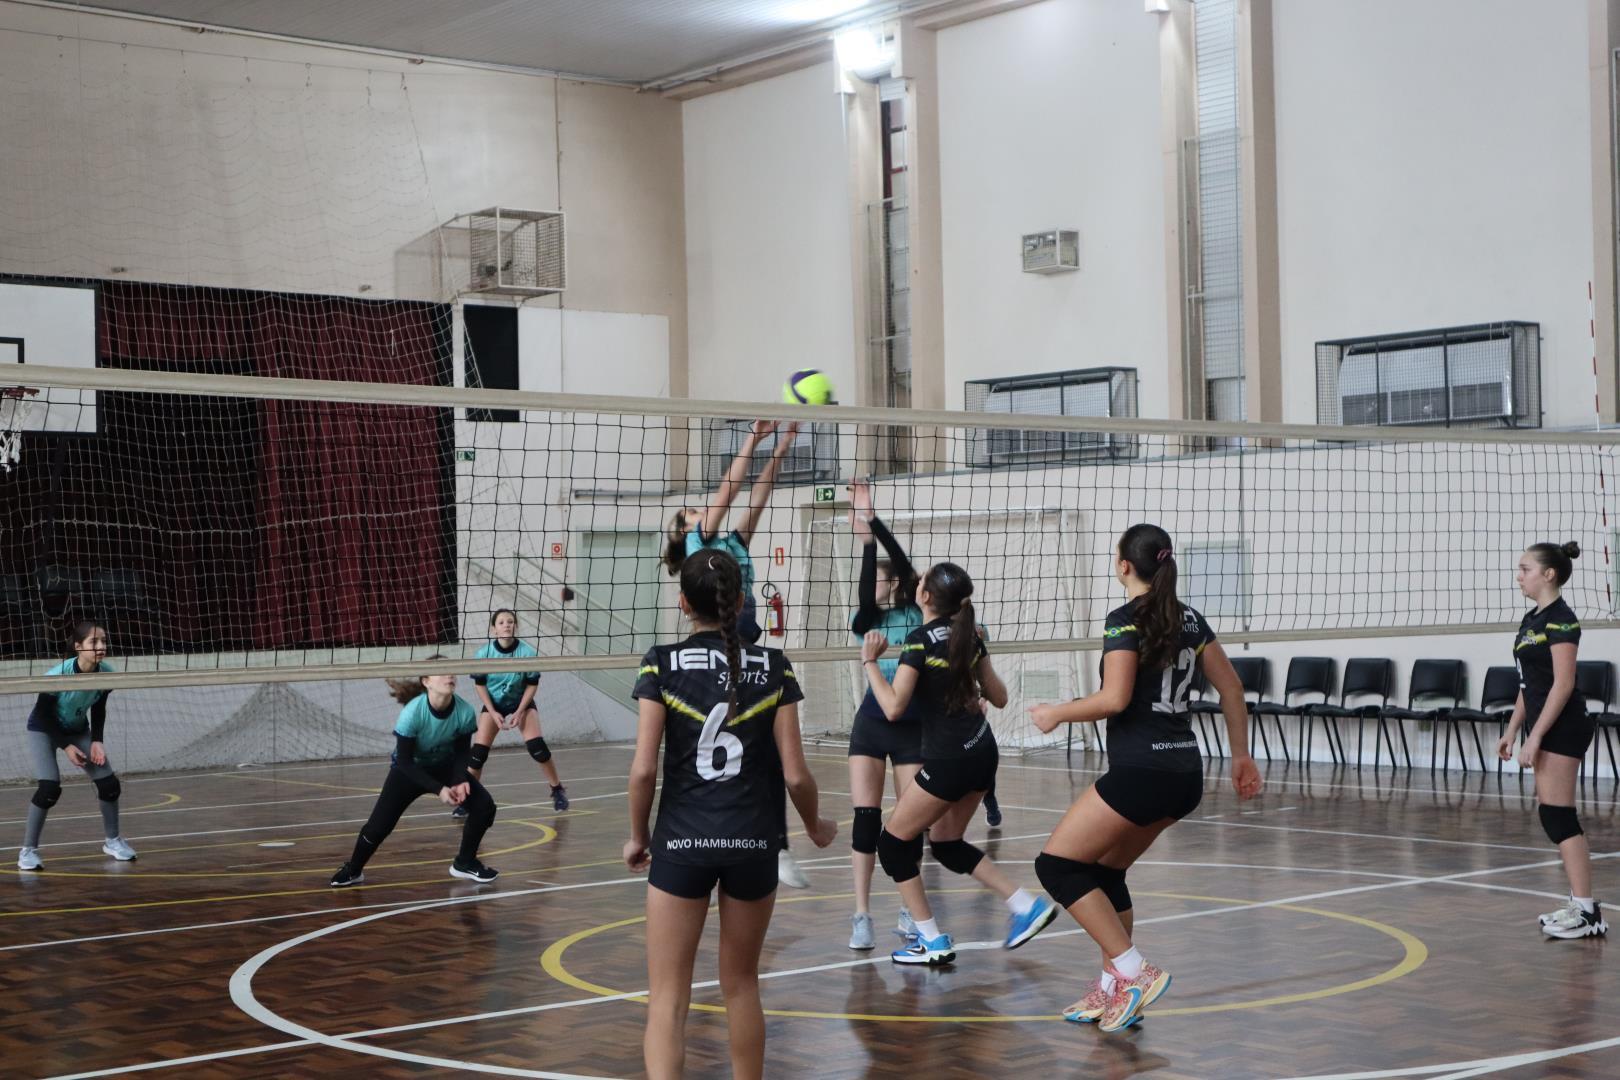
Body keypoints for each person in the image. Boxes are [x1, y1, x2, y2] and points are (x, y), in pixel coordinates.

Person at [1030, 523, 1262, 1033]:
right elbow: (1232, 689)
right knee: (1105, 872)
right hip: (1184, 774)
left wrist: (1056, 713)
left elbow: (1114, 699)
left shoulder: (1124, 621)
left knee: (1056, 866)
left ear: (1124, 566)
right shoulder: (1191, 618)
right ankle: (1115, 987)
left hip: (1142, 772)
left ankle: (1134, 970)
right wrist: (1241, 756)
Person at [625, 548, 836, 1080]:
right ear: (741, 602)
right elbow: (796, 776)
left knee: (667, 996)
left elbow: (643, 770)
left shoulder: (661, 662)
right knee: (741, 985)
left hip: (682, 842)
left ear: (682, 603)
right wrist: (815, 826)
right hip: (753, 844)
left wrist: (637, 836)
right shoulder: (774, 666)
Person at [863, 561, 1059, 966]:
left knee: (892, 845)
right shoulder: (970, 637)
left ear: (926, 597)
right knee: (947, 845)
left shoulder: (919, 641)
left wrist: (870, 663)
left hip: (950, 759)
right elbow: (1000, 698)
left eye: (922, 583)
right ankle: (1026, 906)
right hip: (982, 751)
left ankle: (931, 940)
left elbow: (893, 708)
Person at [662, 418, 808, 889]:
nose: (701, 512)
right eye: (692, 513)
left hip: (746, 645)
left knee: (769, 755)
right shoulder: (697, 545)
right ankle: (708, 842)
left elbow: (758, 496)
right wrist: (753, 438)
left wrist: (782, 446)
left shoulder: (731, 543)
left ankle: (776, 846)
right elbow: (728, 491)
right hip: (718, 644)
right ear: (685, 531)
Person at [1496, 541, 1606, 939]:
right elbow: (1530, 684)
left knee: (1559, 815)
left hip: (1564, 725)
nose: (1518, 576)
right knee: (1552, 815)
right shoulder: (1533, 619)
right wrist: (1513, 729)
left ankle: (1588, 912)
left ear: (1549, 574)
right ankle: (1580, 904)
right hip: (1545, 724)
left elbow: (1563, 684)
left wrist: (1537, 736)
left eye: (1525, 569)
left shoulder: (1561, 620)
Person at [330, 661, 498, 886]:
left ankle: (464, 863)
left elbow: (461, 753)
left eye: (451, 671)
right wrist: (439, 789)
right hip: (409, 770)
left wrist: (459, 779)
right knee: (378, 827)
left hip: (444, 767)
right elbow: (404, 761)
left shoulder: (464, 711)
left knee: (484, 806)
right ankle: (353, 869)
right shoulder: (412, 713)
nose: (449, 675)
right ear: (426, 681)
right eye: (441, 672)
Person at [845, 479, 924, 949]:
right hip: (873, 725)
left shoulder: (915, 613)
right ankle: (861, 914)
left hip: (912, 726)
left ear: (893, 583)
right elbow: (863, 589)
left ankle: (909, 909)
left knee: (910, 822)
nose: (871, 584)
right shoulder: (865, 621)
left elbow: (905, 566)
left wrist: (872, 518)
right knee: (866, 819)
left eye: (879, 577)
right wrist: (866, 545)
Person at [17, 620, 136, 870]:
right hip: (44, 729)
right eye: (94, 642)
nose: (101, 646)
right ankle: (28, 850)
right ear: (78, 647)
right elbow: (44, 716)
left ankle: (113, 841)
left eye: (103, 641)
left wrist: (97, 741)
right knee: (49, 789)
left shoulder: (106, 672)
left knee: (109, 785)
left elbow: (99, 708)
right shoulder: (57, 675)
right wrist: (67, 747)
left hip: (77, 729)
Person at [462, 608, 568, 818]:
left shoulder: (527, 652)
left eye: (510, 621)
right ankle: (467, 800)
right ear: (494, 629)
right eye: (501, 622)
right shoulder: (484, 654)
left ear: (515, 626)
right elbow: (480, 685)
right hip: (494, 704)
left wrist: (520, 711)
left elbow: (532, 684)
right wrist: (492, 712)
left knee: (538, 749)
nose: (506, 625)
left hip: (522, 703)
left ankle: (557, 789)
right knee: (477, 756)